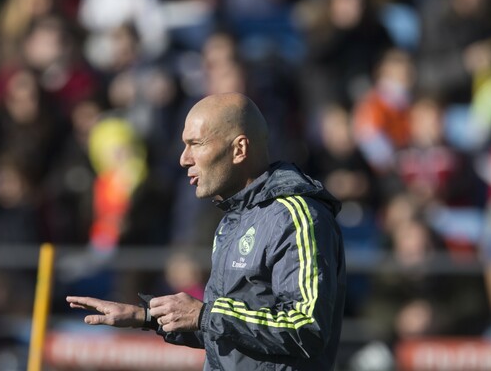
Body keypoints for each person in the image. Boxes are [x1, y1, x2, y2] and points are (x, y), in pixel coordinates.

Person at [67, 92, 347, 370]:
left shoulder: (296, 216)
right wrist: (146, 317)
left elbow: (306, 326)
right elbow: (230, 335)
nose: (184, 159)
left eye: (196, 144)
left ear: (239, 149)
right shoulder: (233, 218)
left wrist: (204, 315)